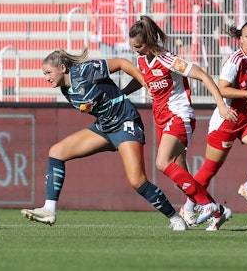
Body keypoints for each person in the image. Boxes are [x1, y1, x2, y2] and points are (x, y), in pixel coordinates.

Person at [21, 48, 188, 231]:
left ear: (62, 67)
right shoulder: (65, 89)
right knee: (56, 152)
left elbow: (122, 63)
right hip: (105, 127)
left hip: (125, 122)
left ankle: (175, 218)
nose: (46, 77)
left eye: (48, 72)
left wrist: (145, 83)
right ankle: (49, 209)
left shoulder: (84, 71)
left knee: (137, 181)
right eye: (44, 74)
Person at [126, 15, 237, 229]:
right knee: (180, 176)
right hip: (161, 120)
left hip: (179, 116)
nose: (135, 51)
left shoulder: (168, 59)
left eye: (138, 46)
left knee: (161, 163)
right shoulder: (142, 60)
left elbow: (203, 75)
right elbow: (141, 78)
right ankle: (218, 210)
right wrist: (122, 93)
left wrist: (221, 106)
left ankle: (206, 205)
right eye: (133, 47)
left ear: (149, 42)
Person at [180, 20, 247, 225]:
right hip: (227, 119)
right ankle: (187, 208)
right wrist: (246, 93)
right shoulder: (235, 60)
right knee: (209, 170)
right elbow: (222, 88)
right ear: (240, 38)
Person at [88, 0, 142, 89]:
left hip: (125, 40)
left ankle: (134, 101)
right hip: (107, 40)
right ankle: (114, 100)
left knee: (130, 72)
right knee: (112, 74)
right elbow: (91, 10)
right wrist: (97, 26)